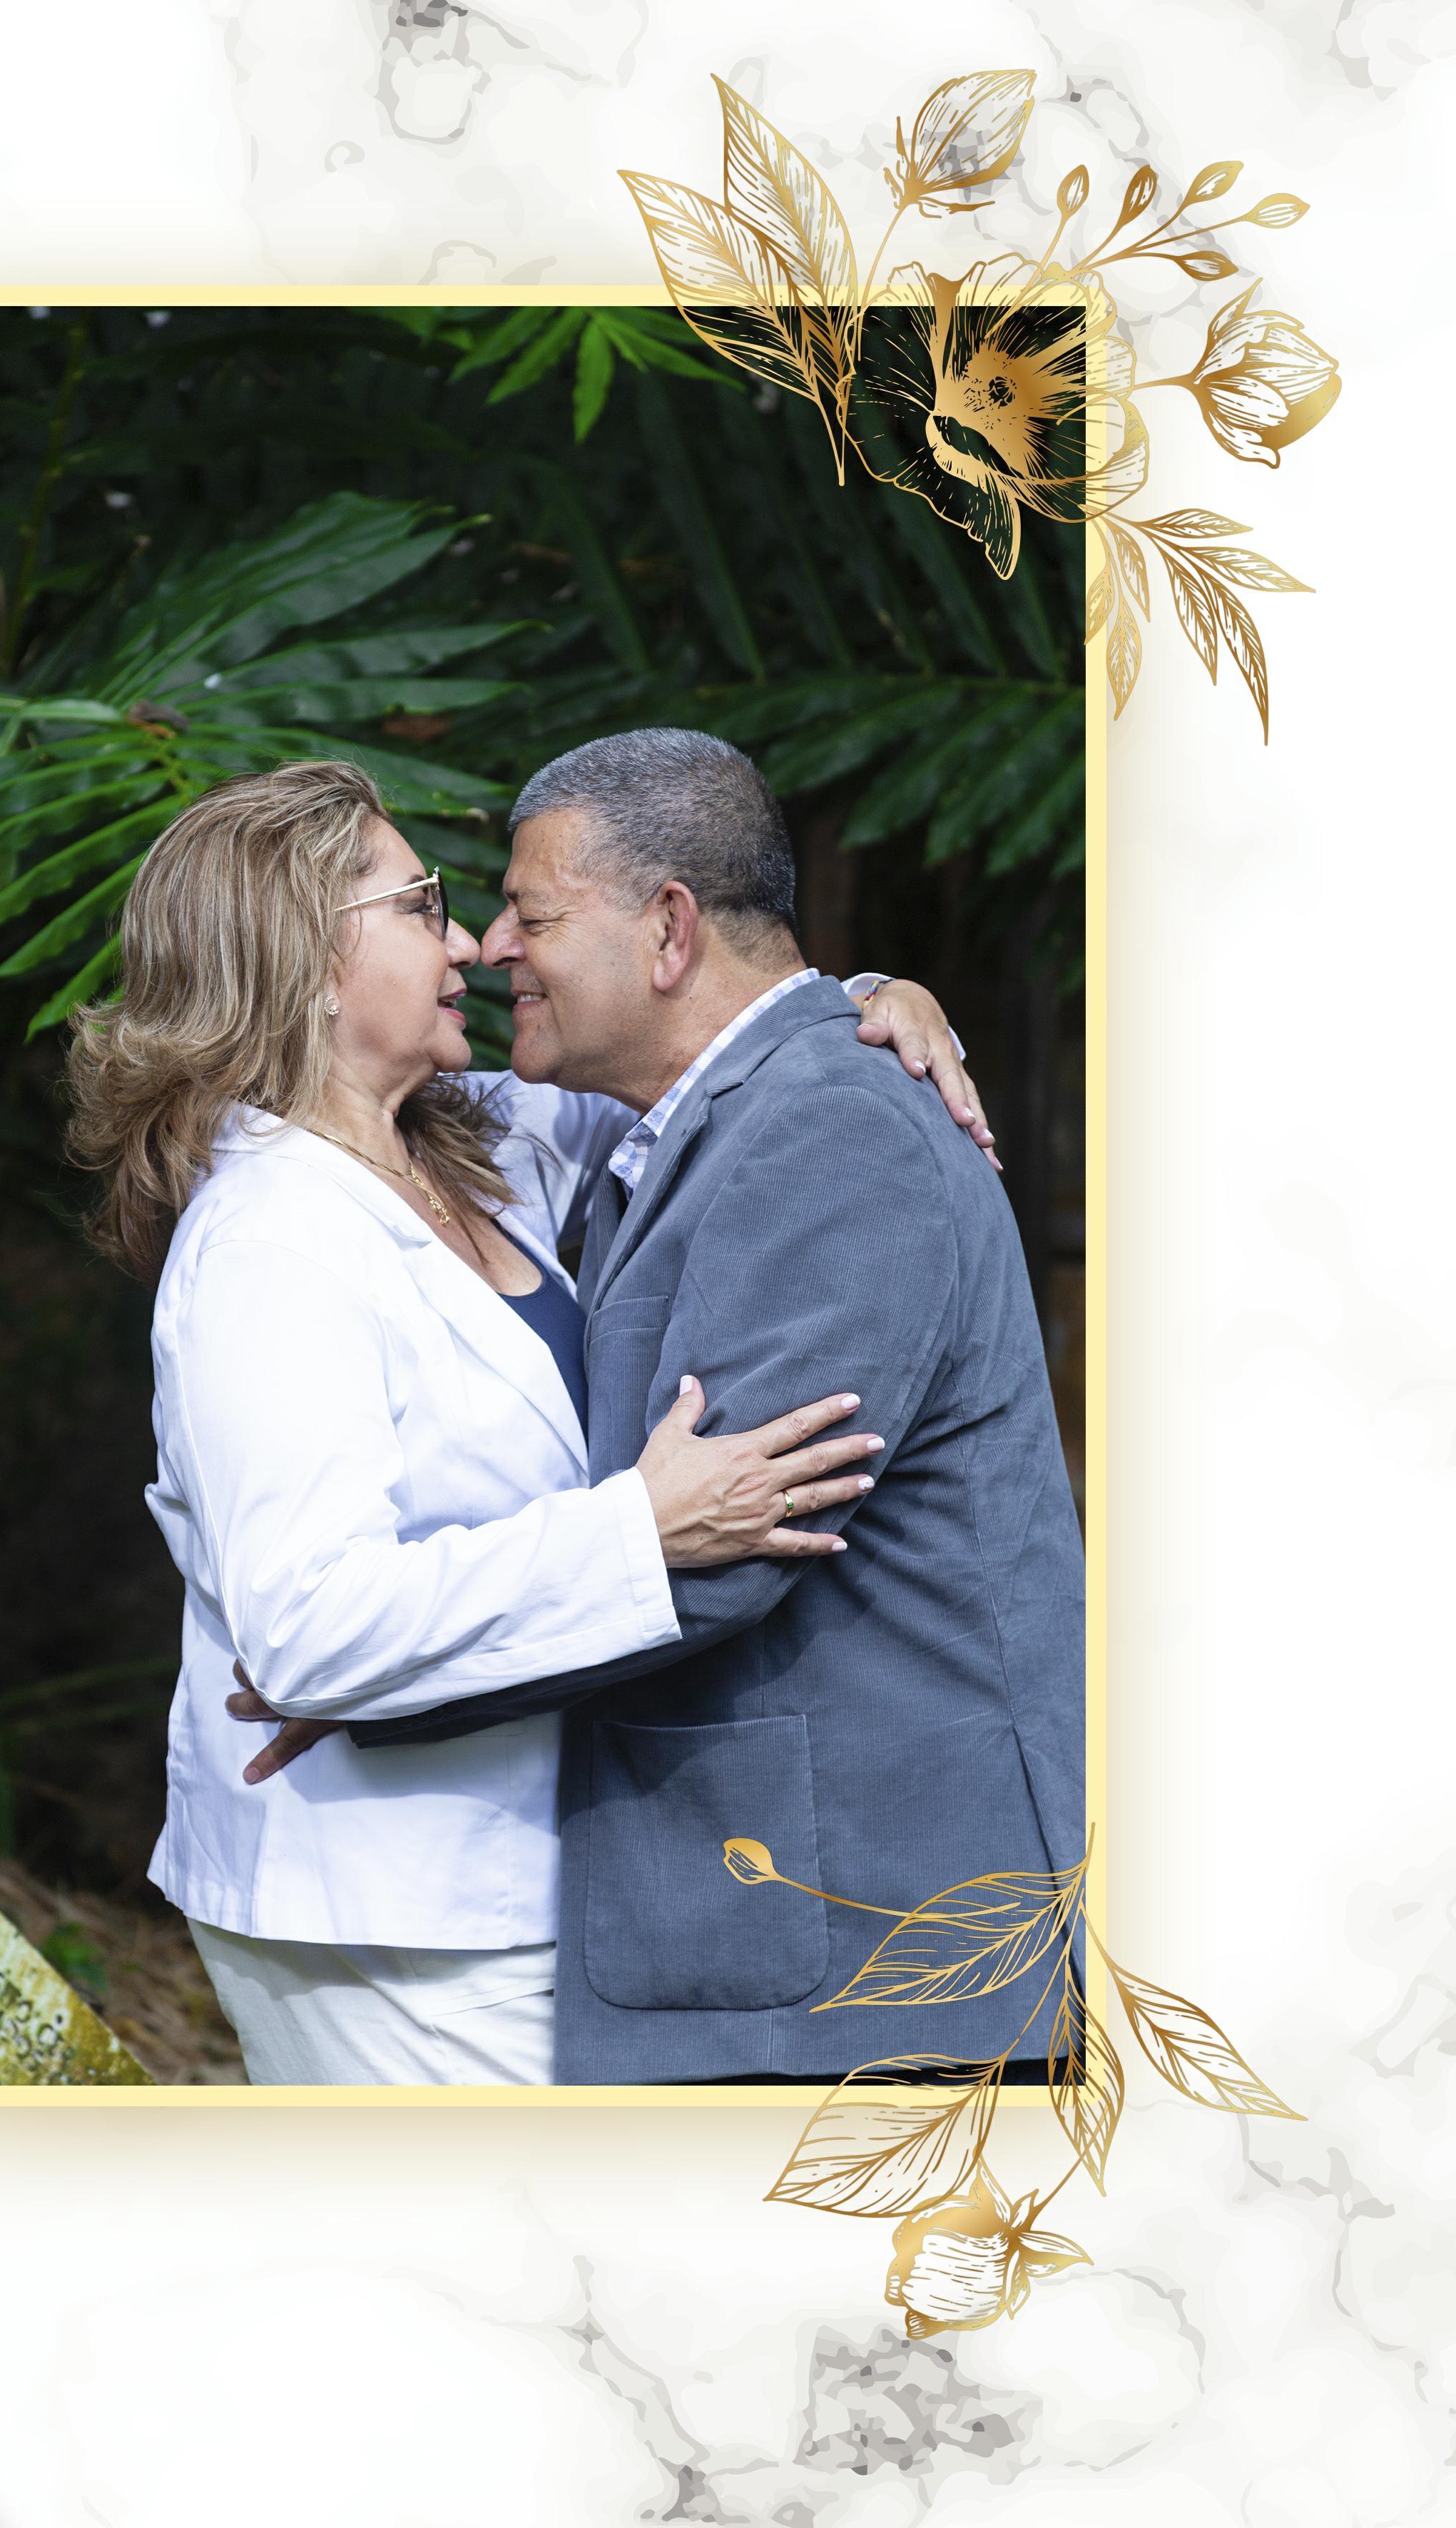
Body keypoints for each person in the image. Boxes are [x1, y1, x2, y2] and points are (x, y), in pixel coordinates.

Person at [63, 755, 987, 2086]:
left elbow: (699, 1049)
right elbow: (311, 1630)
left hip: (508, 1876)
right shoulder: (268, 1246)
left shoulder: (476, 1138)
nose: (471, 945)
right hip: (375, 1908)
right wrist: (641, 1533)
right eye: (420, 907)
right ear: (305, 961)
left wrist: (862, 1000)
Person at [332, 729, 1085, 2086]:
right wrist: (872, 988)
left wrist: (371, 1674)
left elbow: (729, 1547)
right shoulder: (712, 1115)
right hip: (804, 1958)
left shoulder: (833, 1132)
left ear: (670, 931)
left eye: (531, 915)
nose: (493, 946)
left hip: (879, 1969)